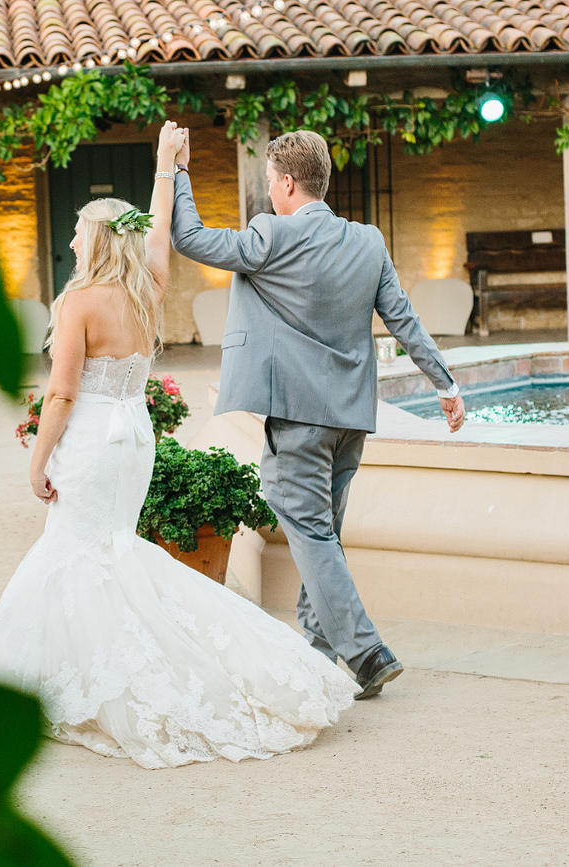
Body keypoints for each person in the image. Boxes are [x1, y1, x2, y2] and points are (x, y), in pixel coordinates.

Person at [0, 125, 358, 771]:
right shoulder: (145, 290)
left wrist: (37, 461)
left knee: (84, 552)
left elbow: (62, 396)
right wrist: (163, 164)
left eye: (77, 231)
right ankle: (91, 674)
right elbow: (157, 234)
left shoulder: (77, 302)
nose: (70, 239)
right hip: (134, 438)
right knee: (112, 550)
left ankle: (99, 686)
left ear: (95, 240)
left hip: (95, 440)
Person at [168, 124, 465, 700]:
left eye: (270, 185)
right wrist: (445, 384)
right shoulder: (369, 241)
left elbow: (191, 238)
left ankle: (365, 651)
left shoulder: (270, 236)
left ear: (284, 184)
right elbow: (403, 320)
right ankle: (318, 651)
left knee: (305, 528)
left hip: (299, 419)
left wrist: (180, 172)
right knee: (322, 534)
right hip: (351, 417)